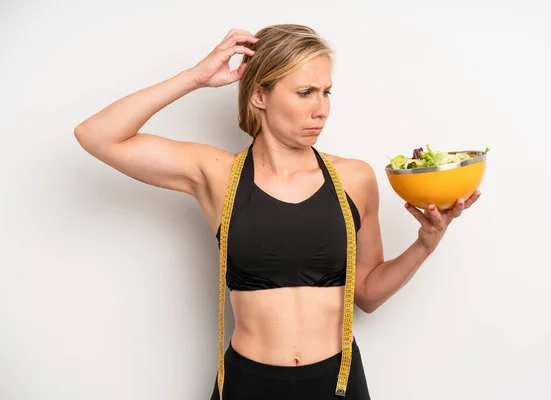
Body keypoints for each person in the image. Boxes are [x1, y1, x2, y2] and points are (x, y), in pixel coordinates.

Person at [74, 24, 480, 400]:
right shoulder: (218, 175)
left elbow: (368, 295)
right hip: (247, 385)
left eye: (326, 92)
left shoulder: (353, 179)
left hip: (337, 384)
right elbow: (97, 135)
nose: (321, 109)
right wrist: (195, 77)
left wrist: (426, 244)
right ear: (260, 96)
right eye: (305, 92)